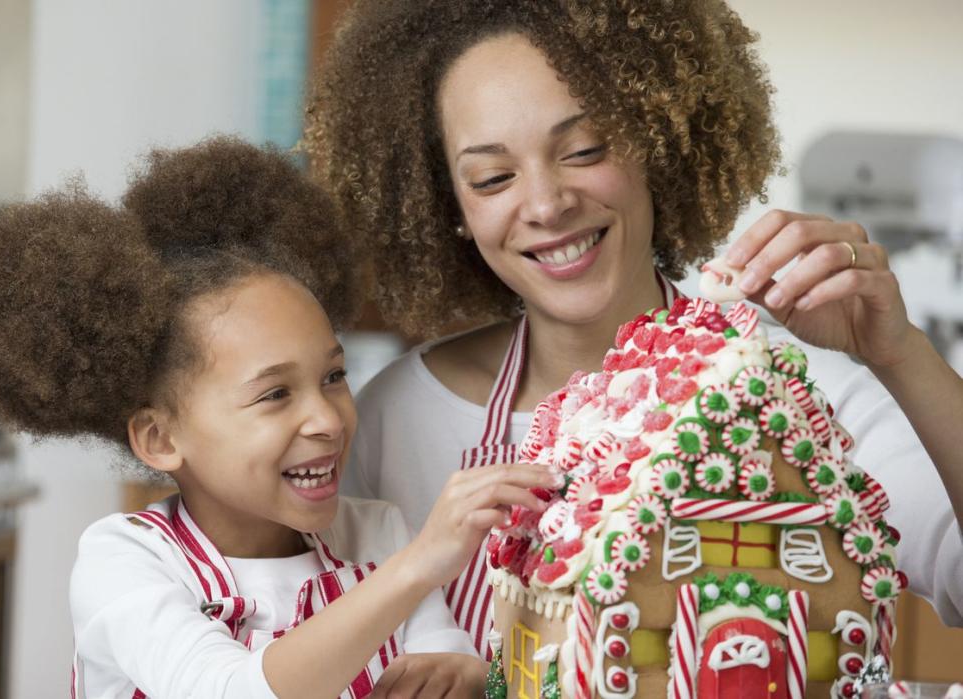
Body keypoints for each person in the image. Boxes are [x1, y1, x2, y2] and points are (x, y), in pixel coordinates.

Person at [302, 0, 963, 654]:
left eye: (584, 149)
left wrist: (901, 354)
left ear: (659, 140)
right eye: (493, 177)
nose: (547, 203)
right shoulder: (393, 417)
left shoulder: (792, 388)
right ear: (450, 206)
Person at [0, 137, 557, 698]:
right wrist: (416, 567)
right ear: (160, 438)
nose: (327, 418)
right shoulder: (124, 561)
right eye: (274, 395)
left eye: (334, 377)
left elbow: (442, 650)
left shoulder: (377, 534)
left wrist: (462, 669)